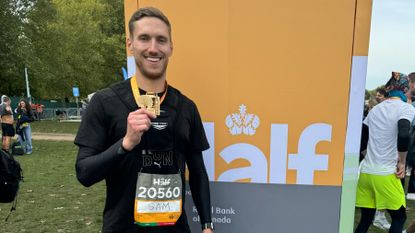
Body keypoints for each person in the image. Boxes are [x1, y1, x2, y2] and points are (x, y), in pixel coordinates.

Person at [75, 7, 214, 233]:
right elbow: (84, 173)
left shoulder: (186, 107)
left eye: (161, 40)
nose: (153, 48)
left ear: (170, 47)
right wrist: (125, 143)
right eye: (144, 38)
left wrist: (207, 224)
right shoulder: (104, 102)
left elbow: (197, 172)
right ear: (130, 45)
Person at [355, 72, 415, 233]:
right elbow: (403, 133)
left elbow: (361, 137)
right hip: (387, 174)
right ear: (404, 89)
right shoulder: (406, 108)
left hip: (367, 172)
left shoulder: (375, 110)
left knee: (366, 220)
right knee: (399, 218)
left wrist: (366, 155)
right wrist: (402, 161)